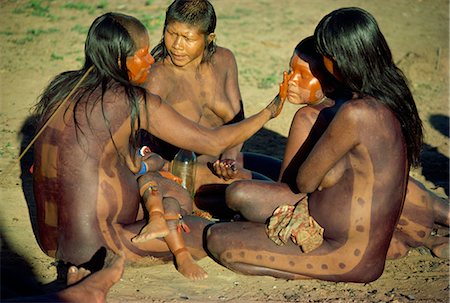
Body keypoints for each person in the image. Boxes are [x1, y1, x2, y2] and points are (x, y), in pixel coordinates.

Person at [32, 11, 285, 277]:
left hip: (50, 241)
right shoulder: (129, 100)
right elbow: (213, 142)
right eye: (142, 54)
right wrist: (269, 111)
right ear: (120, 59)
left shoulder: (62, 88)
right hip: (98, 245)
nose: (151, 59)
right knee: (211, 233)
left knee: (167, 184)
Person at [206, 10, 449, 283]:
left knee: (219, 238)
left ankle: (317, 264)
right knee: (240, 195)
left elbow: (306, 180)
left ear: (337, 61)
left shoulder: (356, 113)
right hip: (336, 230)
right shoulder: (384, 98)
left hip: (348, 255)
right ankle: (409, 239)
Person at [142, 0, 282, 199]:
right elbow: (143, 144)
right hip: (179, 168)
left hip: (219, 158)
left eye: (187, 38)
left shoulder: (224, 60)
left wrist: (229, 159)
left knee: (281, 172)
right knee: (264, 190)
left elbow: (237, 119)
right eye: (171, 34)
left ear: (209, 38)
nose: (177, 46)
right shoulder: (159, 76)